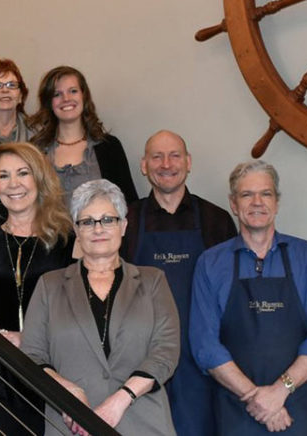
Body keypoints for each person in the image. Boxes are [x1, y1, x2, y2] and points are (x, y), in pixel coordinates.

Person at [22, 179, 179, 436]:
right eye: (87, 221)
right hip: (71, 425)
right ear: (76, 229)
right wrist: (66, 394)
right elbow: (31, 356)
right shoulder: (49, 286)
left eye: (108, 219)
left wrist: (121, 399)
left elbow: (167, 352)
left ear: (123, 226)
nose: (98, 229)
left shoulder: (154, 281)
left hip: (143, 424)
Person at [190, 160, 307, 435]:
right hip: (239, 409)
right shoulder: (210, 263)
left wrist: (279, 392)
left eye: (266, 194)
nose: (257, 202)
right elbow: (205, 346)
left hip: (301, 407)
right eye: (247, 195)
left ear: (277, 202)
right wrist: (256, 398)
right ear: (234, 204)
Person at [122, 130, 237, 436]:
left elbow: (234, 297)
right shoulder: (124, 221)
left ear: (188, 162)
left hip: (201, 362)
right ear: (144, 165)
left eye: (174, 155)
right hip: (140, 359)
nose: (166, 163)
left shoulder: (217, 220)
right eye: (156, 156)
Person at [0, 142, 77, 434]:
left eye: (23, 173)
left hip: (53, 371)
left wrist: (27, 339)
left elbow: (81, 317)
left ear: (39, 179)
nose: (13, 184)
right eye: (3, 176)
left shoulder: (70, 244)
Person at [29, 66, 138, 204]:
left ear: (84, 96)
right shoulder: (35, 151)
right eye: (57, 94)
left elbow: (129, 203)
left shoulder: (109, 147)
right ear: (49, 103)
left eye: (73, 91)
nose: (66, 98)